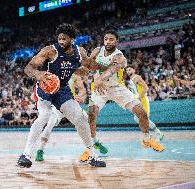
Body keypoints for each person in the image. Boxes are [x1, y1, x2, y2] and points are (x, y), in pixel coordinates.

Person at [17, 23, 106, 168]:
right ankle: (26, 154)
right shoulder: (49, 51)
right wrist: (38, 74)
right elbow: (28, 68)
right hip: (45, 88)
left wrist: (106, 68)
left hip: (62, 90)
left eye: (64, 39)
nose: (61, 41)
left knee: (81, 118)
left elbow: (89, 64)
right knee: (45, 116)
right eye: (59, 39)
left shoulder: (80, 52)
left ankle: (91, 155)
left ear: (72, 39)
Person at [79, 30, 164, 161]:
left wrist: (99, 79)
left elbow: (111, 70)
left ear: (116, 41)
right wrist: (82, 62)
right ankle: (90, 146)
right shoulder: (97, 50)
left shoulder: (120, 57)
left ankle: (147, 139)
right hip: (100, 89)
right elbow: (89, 66)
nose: (107, 41)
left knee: (141, 112)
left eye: (111, 39)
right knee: (91, 114)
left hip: (118, 88)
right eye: (106, 39)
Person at [35, 74, 108, 161]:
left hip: (70, 103)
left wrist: (80, 96)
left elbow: (82, 91)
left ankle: (95, 142)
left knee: (86, 121)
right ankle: (40, 150)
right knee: (50, 123)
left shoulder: (74, 76)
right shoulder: (55, 73)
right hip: (57, 104)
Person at [125, 65, 164, 140]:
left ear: (134, 70)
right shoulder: (131, 80)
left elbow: (146, 88)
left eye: (130, 69)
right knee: (137, 118)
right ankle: (153, 134)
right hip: (137, 101)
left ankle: (156, 133)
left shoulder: (137, 77)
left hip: (142, 100)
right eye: (127, 70)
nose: (128, 71)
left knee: (143, 118)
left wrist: (138, 97)